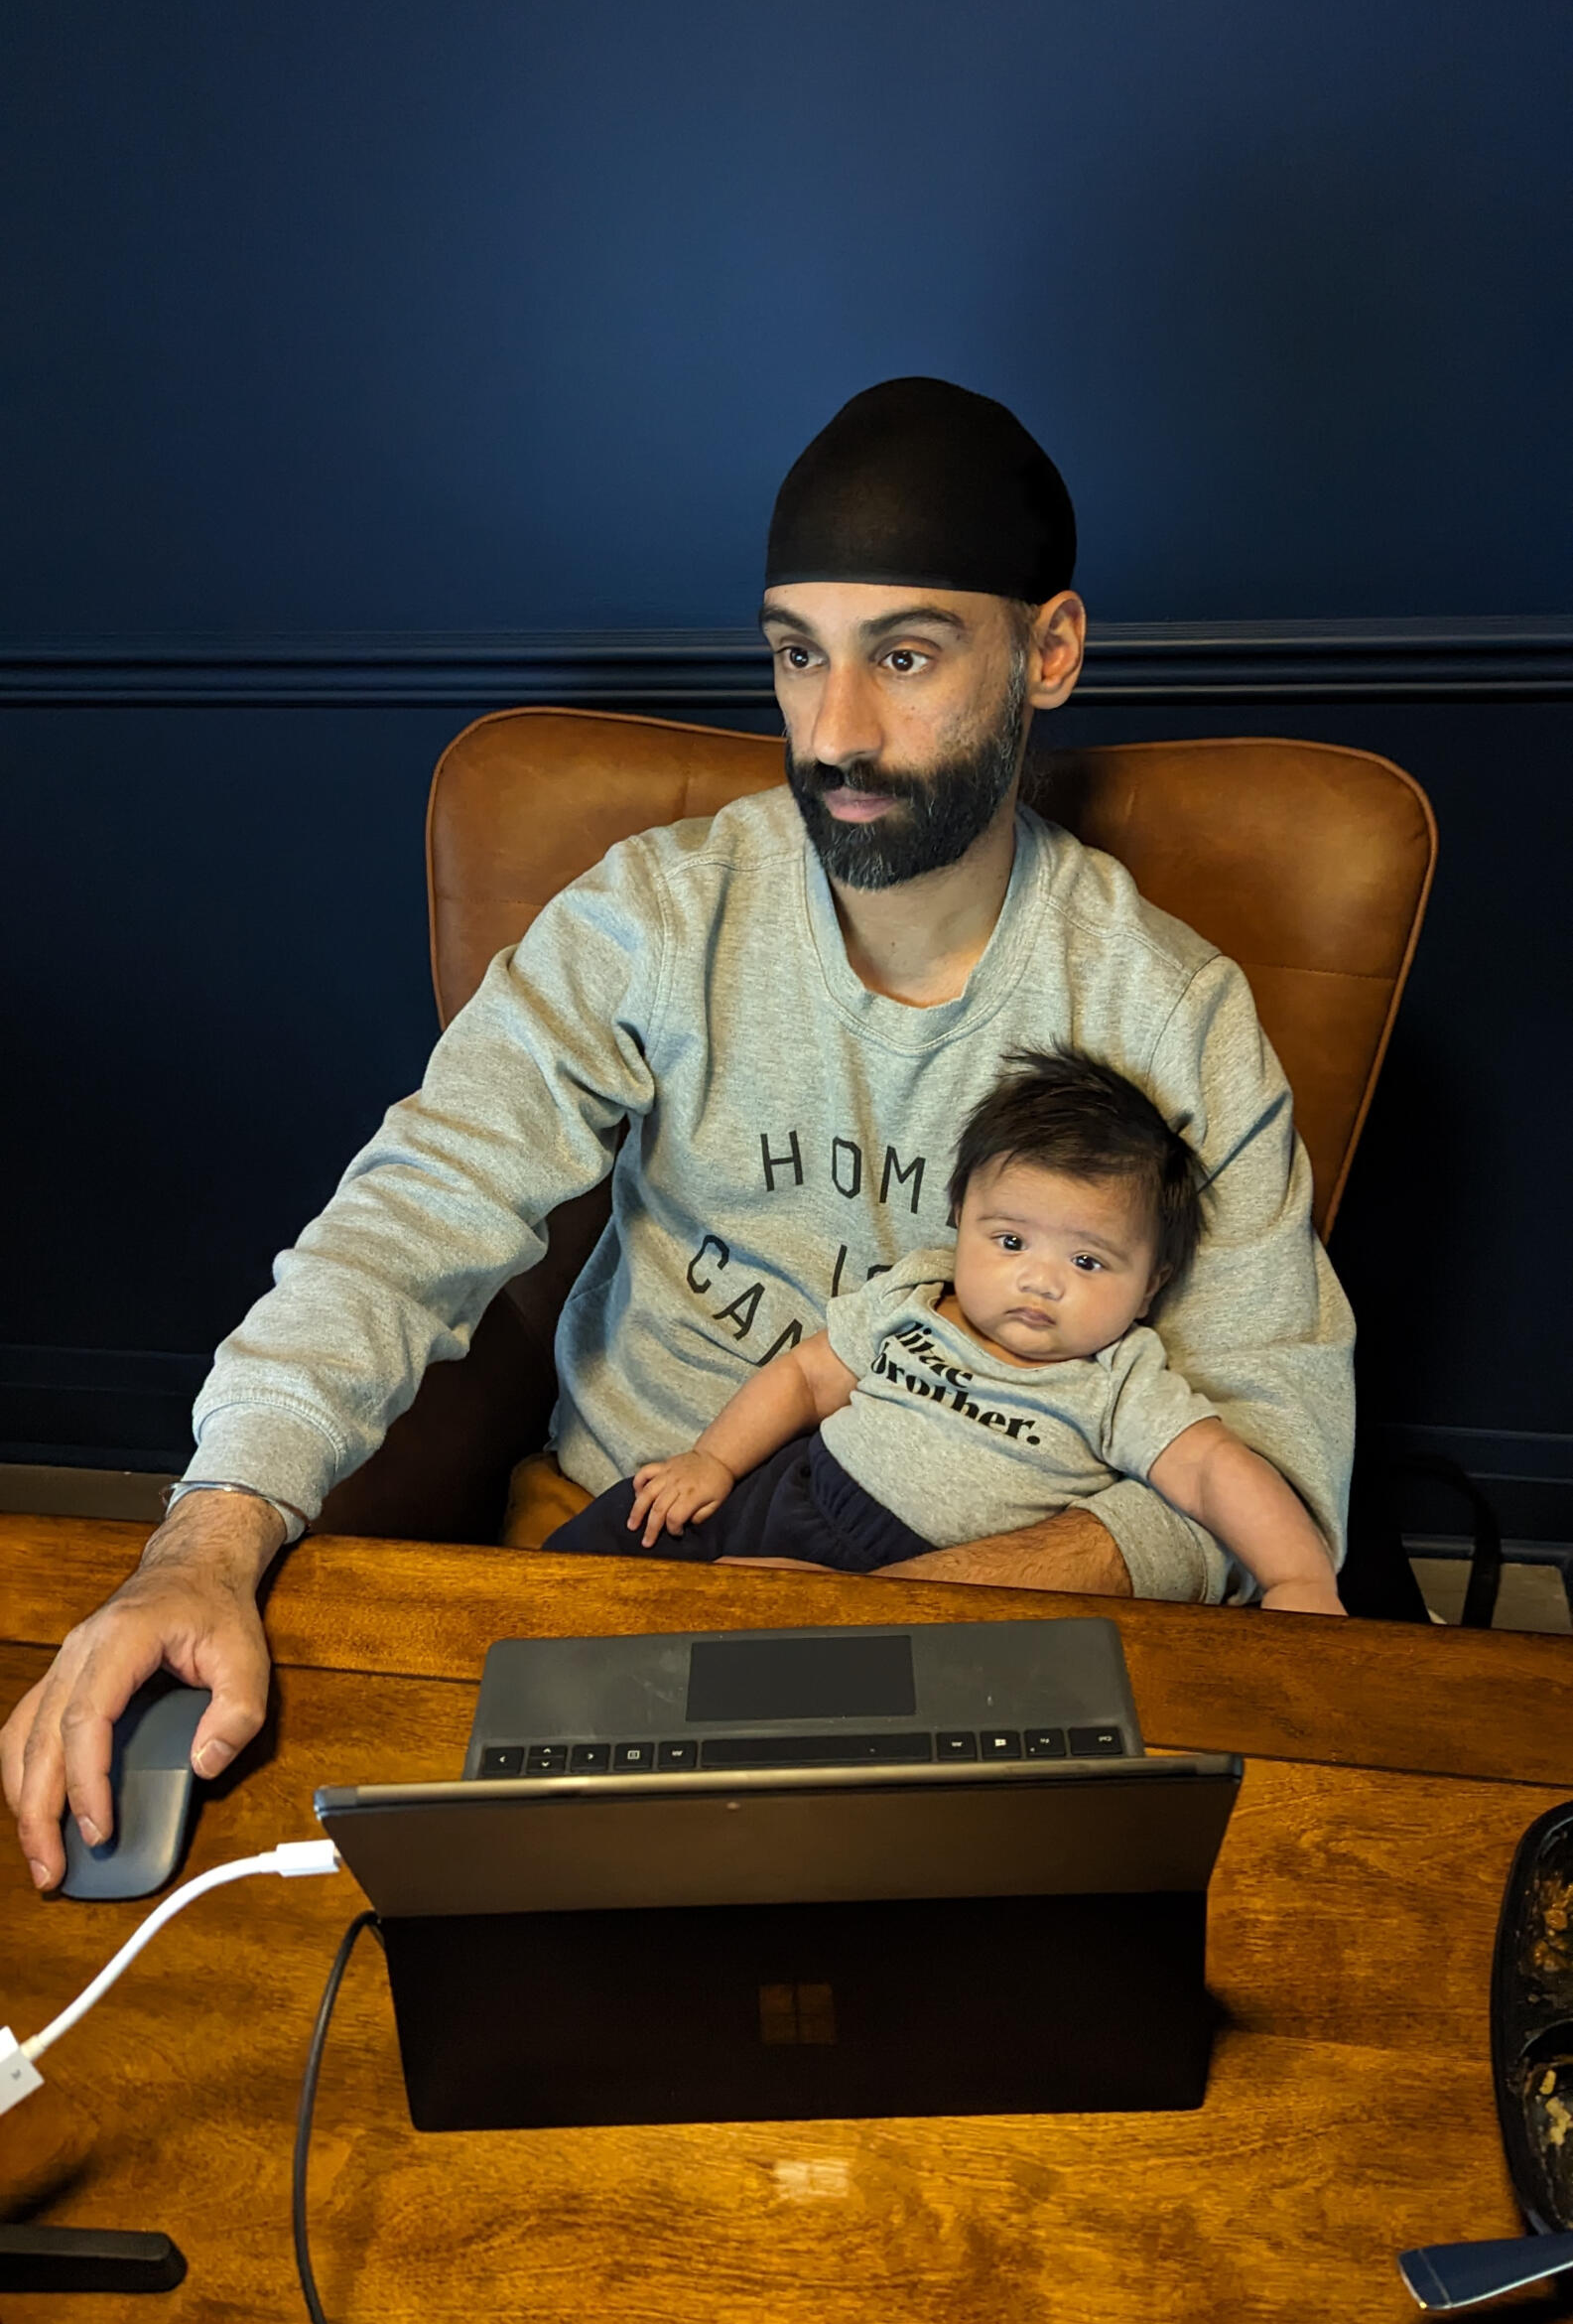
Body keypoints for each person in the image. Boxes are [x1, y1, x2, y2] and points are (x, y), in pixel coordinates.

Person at [1, 375, 1355, 1891]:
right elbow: (413, 1210)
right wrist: (206, 1532)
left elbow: (1276, 1436)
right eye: (796, 656)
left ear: (1049, 652)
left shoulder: (1168, 1008)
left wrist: (925, 1608)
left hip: (1007, 1626)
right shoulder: (657, 914)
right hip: (620, 1556)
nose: (834, 732)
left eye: (904, 656)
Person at [546, 1048, 1347, 1616]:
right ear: (959, 1222)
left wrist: (1296, 1578)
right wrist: (711, 1459)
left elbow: (1211, 1470)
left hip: (924, 1572)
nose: (1041, 1280)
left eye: (1089, 1261)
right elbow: (808, 1377)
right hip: (792, 1486)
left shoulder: (1118, 1381)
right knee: (633, 1521)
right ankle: (507, 1641)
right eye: (1008, 1242)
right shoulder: (918, 1293)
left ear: (1151, 1288)